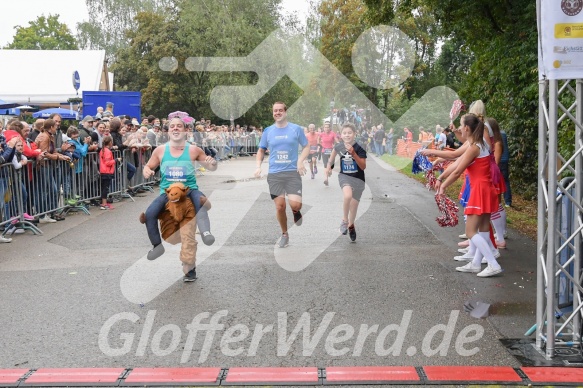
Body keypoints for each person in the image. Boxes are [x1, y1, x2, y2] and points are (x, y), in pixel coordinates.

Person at [142, 117, 217, 280]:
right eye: (172, 127)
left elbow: (210, 166)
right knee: (149, 214)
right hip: (167, 194)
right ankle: (156, 246)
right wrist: (146, 170)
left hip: (189, 192)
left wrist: (212, 163)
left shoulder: (194, 150)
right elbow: (148, 166)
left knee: (198, 210)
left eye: (179, 126)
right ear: (168, 131)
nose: (175, 129)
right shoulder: (160, 150)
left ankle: (205, 234)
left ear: (185, 130)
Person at [436, 113, 503, 277]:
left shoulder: (474, 147)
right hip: (487, 189)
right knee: (483, 230)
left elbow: (458, 168)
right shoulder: (481, 144)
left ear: (467, 128)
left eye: (461, 125)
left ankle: (493, 263)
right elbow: (457, 160)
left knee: (471, 231)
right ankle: (476, 263)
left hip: (479, 190)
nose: (459, 129)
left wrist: (443, 185)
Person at [254, 102, 309, 248]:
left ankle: (296, 211)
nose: (277, 113)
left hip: (292, 172)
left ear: (285, 112)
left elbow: (306, 146)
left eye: (280, 110)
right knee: (279, 207)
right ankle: (284, 234)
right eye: (275, 111)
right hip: (275, 174)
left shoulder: (295, 129)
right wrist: (258, 166)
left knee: (295, 204)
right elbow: (261, 150)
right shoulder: (268, 131)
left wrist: (300, 161)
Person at [325, 123, 367, 242]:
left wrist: (353, 153)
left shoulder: (360, 147)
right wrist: (329, 168)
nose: (347, 135)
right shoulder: (338, 147)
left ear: (354, 134)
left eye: (349, 133)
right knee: (347, 195)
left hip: (358, 179)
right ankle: (344, 220)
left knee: (353, 208)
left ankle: (351, 225)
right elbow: (331, 160)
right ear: (341, 135)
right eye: (344, 133)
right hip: (345, 177)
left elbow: (363, 166)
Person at [99, 136, 119, 210]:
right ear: (110, 142)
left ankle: (103, 203)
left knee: (104, 187)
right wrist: (116, 160)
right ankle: (104, 204)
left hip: (103, 171)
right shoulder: (107, 151)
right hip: (107, 171)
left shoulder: (103, 150)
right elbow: (107, 163)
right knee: (105, 188)